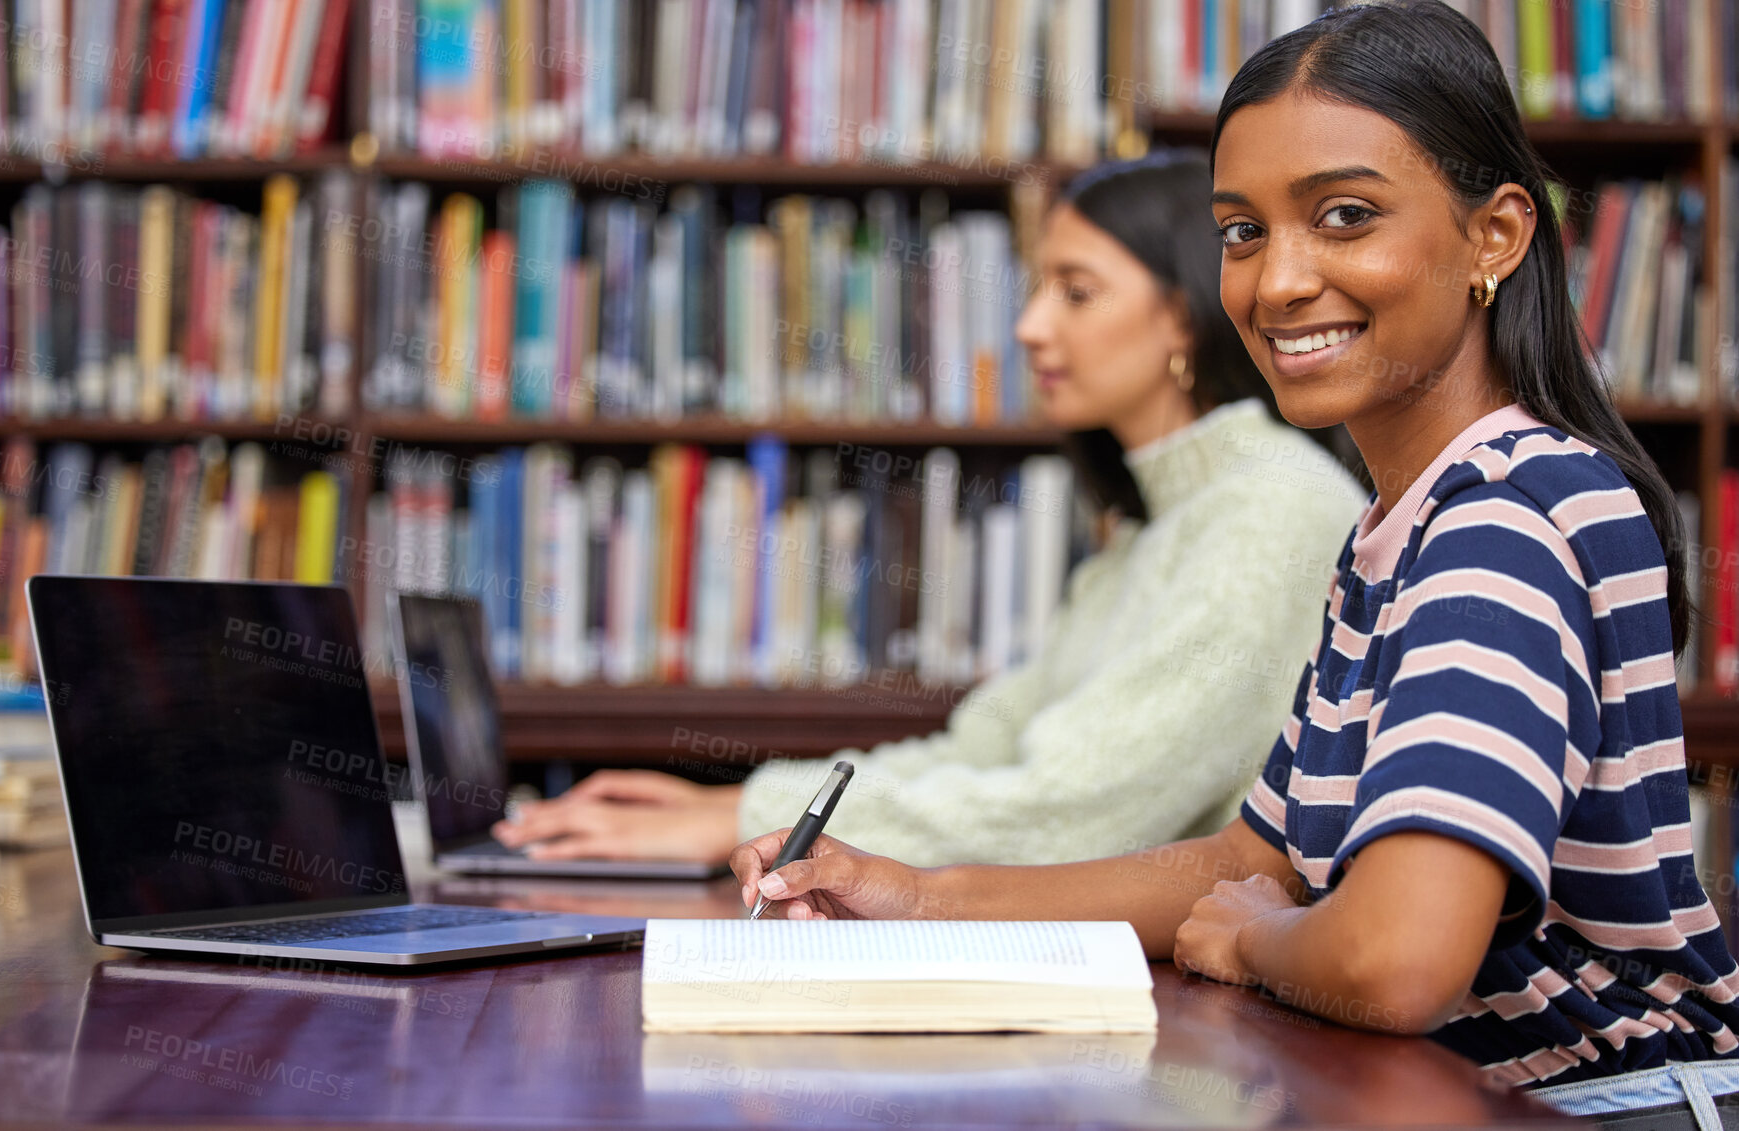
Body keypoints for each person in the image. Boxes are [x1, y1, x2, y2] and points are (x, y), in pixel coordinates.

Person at [728, 0, 1739, 1119]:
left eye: (1345, 216)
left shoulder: (1505, 517)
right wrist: (916, 895)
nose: (1276, 283)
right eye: (1242, 231)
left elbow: (1395, 956)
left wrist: (1262, 946)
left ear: (1495, 236)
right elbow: (1244, 865)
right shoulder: (1401, 529)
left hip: (1616, 1105)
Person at [492, 154, 1366, 868]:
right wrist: (743, 803)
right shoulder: (1152, 530)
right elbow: (984, 748)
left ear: (1181, 315)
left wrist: (744, 830)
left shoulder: (1267, 514)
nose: (1027, 327)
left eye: (1075, 290)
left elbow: (1069, 812)